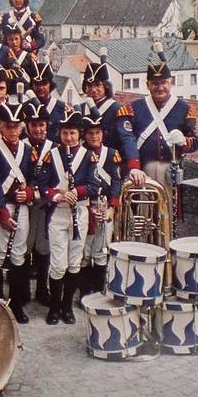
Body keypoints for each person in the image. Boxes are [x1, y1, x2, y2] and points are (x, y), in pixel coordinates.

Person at [0, 101, 43, 323]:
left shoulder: (29, 151)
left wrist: (27, 192)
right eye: (8, 126)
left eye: (16, 126)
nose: (13, 130)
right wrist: (2, 214)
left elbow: (35, 179)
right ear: (0, 126)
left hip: (22, 208)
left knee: (19, 254)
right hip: (2, 208)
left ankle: (17, 304)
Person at [118, 42, 198, 209]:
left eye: (164, 83)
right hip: (142, 171)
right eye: (155, 84)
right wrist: (134, 167)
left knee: (167, 216)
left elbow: (194, 142)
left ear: (171, 83)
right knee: (142, 214)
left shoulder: (185, 108)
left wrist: (184, 141)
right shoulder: (132, 108)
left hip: (170, 171)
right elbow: (128, 139)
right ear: (148, 85)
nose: (160, 87)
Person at [43, 106, 100, 325]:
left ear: (79, 134)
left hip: (80, 211)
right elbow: (42, 184)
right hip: (58, 213)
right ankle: (54, 308)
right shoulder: (53, 155)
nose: (68, 137)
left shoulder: (88, 156)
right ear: (60, 134)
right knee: (58, 263)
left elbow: (94, 185)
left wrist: (78, 191)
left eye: (73, 133)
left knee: (75, 262)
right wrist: (57, 195)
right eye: (65, 132)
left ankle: (67, 307)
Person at [80, 105, 123, 296]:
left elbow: (116, 181)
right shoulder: (80, 155)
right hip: (85, 206)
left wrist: (113, 208)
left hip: (105, 205)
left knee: (101, 248)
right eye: (90, 133)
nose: (94, 137)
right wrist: (87, 207)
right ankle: (84, 291)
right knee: (84, 250)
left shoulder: (112, 154)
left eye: (97, 132)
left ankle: (99, 290)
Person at [22, 101, 55, 306]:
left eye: (42, 124)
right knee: (24, 248)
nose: (38, 129)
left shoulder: (55, 148)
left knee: (44, 248)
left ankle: (43, 289)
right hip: (25, 204)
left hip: (44, 204)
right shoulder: (22, 147)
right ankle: (24, 290)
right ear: (27, 126)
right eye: (34, 124)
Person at [81, 48, 121, 150]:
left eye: (97, 85)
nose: (93, 90)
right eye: (89, 86)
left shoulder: (116, 109)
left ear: (105, 86)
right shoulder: (81, 109)